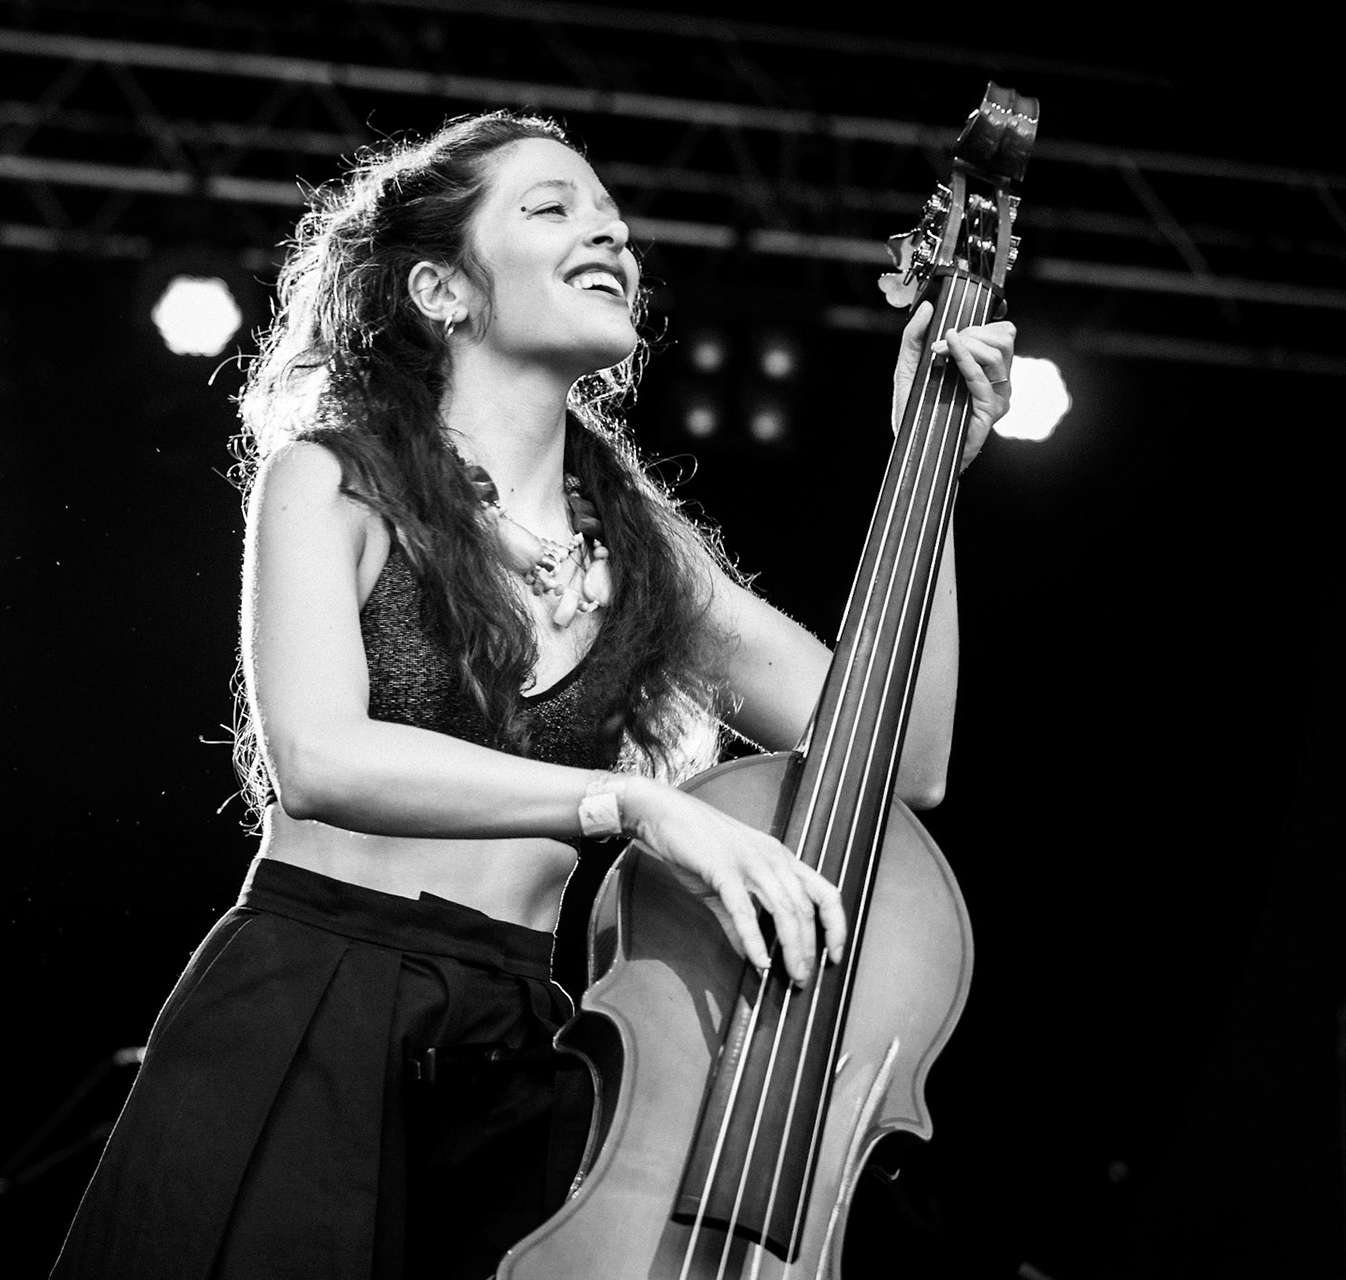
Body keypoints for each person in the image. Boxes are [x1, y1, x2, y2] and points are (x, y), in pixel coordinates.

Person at [53, 110, 1012, 1280]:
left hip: (515, 1048)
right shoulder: (333, 478)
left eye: (612, 215)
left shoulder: (640, 549)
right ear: (442, 289)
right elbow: (319, 756)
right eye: (552, 207)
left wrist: (934, 465)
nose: (607, 230)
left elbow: (899, 761)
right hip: (308, 1001)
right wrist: (632, 802)